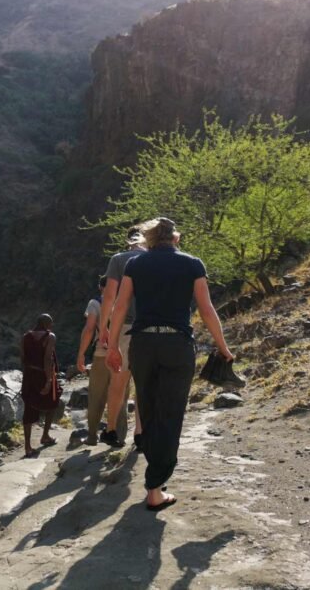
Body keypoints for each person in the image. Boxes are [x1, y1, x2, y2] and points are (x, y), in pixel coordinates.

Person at [106, 218, 238, 512]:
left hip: (142, 344)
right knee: (171, 414)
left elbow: (121, 307)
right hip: (177, 346)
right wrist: (223, 346)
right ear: (175, 238)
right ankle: (155, 487)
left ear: (150, 239)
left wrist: (113, 346)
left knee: (149, 410)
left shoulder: (135, 265)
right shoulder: (192, 264)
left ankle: (155, 482)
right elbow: (206, 309)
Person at [97, 226, 146, 448]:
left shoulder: (119, 260)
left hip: (125, 326)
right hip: (148, 327)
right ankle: (140, 432)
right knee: (143, 383)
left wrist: (105, 328)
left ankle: (111, 430)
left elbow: (109, 297)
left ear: (128, 241)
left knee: (118, 382)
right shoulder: (155, 259)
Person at [75, 277, 127, 445]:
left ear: (100, 287)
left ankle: (91, 436)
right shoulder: (126, 302)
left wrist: (81, 353)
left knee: (96, 396)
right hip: (123, 355)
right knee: (121, 395)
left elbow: (90, 328)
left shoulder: (95, 303)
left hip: (101, 354)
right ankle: (118, 436)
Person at [20, 314, 62, 458]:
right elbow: (48, 359)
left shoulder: (26, 336)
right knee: (52, 403)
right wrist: (49, 381)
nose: (52, 326)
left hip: (29, 376)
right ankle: (45, 435)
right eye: (51, 323)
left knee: (29, 407)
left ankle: (27, 446)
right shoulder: (50, 337)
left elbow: (23, 358)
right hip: (44, 375)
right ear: (46, 324)